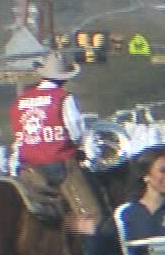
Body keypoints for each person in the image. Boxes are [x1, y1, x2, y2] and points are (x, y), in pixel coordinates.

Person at [10, 50, 102, 234]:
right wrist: (83, 148)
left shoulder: (20, 102)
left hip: (28, 168)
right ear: (64, 77)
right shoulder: (63, 97)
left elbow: (19, 137)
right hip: (60, 163)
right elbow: (76, 131)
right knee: (95, 217)